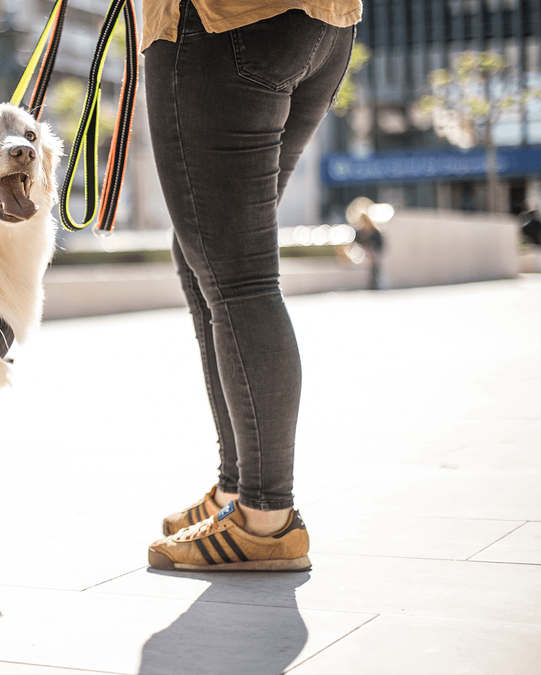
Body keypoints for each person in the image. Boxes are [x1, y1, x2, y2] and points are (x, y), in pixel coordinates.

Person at [141, 0, 361, 571]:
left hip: (223, 24)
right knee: (207, 253)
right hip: (323, 27)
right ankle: (238, 493)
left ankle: (266, 519)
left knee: (239, 275)